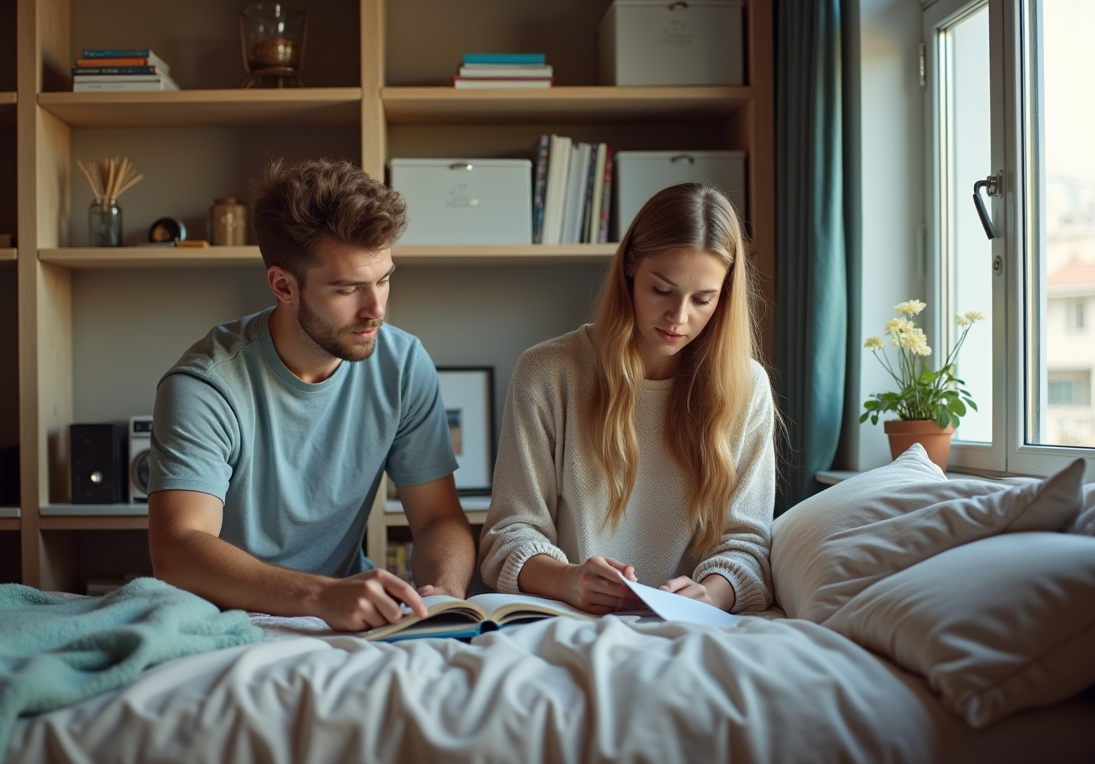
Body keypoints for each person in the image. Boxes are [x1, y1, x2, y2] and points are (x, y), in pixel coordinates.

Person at [148, 157, 475, 632]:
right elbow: (177, 548)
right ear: (283, 285)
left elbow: (437, 519)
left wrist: (443, 592)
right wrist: (319, 596)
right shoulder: (205, 386)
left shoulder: (403, 364)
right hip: (226, 621)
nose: (376, 309)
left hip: (345, 620)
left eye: (384, 279)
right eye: (348, 289)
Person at [479, 182, 777, 615]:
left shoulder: (747, 388)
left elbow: (748, 544)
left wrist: (711, 594)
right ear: (631, 266)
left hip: (690, 625)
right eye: (662, 290)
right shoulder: (546, 373)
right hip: (571, 619)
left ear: (725, 295)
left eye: (702, 299)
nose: (678, 317)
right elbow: (509, 535)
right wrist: (566, 580)